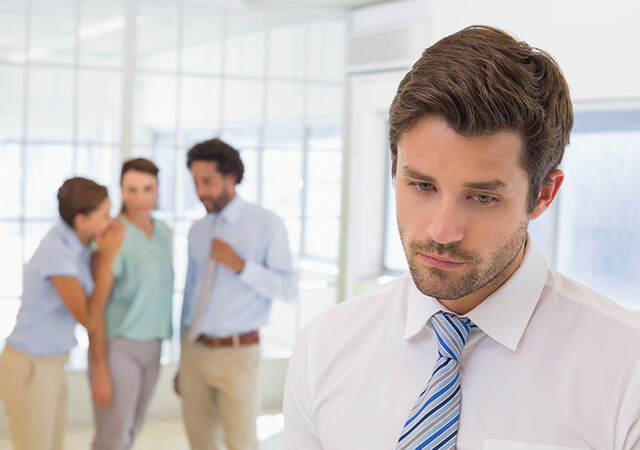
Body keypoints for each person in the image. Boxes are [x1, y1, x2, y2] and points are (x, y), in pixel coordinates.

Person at [283, 25, 640, 450]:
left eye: (482, 197)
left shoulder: (626, 369)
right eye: (422, 186)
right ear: (394, 166)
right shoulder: (325, 346)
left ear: (543, 194)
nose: (442, 231)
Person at [174, 138, 296, 450]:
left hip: (237, 355)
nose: (200, 191)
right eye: (196, 182)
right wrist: (181, 360)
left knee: (241, 444)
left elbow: (287, 288)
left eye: (208, 181)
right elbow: (191, 298)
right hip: (194, 353)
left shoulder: (266, 223)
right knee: (199, 442)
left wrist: (241, 266)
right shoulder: (198, 230)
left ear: (231, 178)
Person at [0, 177, 124, 450]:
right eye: (104, 215)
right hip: (31, 367)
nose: (111, 222)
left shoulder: (76, 245)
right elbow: (89, 319)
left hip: (51, 364)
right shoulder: (57, 253)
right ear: (82, 220)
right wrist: (108, 260)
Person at [89, 158, 174, 450]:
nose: (140, 197)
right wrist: (100, 366)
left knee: (133, 432)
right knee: (112, 437)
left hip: (154, 347)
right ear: (122, 191)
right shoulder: (112, 234)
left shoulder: (164, 232)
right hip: (119, 347)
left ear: (157, 189)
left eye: (147, 188)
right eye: (131, 189)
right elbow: (95, 308)